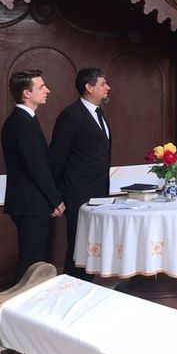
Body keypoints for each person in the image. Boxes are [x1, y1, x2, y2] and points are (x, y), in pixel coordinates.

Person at [1, 70, 65, 281]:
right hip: (30, 203)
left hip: (29, 202)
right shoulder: (22, 123)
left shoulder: (23, 120)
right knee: (32, 261)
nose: (47, 90)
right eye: (41, 87)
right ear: (26, 93)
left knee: (34, 258)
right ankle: (22, 307)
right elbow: (37, 168)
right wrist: (56, 200)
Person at [49, 67, 113, 278]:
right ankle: (71, 294)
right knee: (79, 249)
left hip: (98, 194)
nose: (108, 87)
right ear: (89, 87)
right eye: (103, 84)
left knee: (93, 248)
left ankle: (88, 292)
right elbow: (57, 157)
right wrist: (55, 197)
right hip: (77, 195)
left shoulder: (98, 113)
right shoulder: (70, 116)